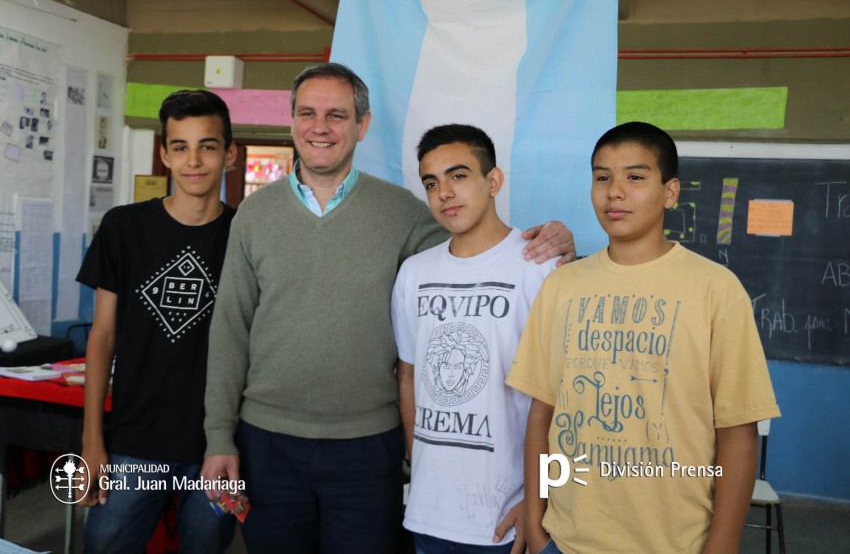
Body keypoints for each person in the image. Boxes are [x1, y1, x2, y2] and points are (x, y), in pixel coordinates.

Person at [201, 62, 575, 554]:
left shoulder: (405, 212)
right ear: (291, 121)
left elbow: (481, 248)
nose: (320, 127)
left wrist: (563, 245)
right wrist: (219, 438)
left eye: (337, 115)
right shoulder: (255, 214)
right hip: (267, 441)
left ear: (362, 125)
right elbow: (229, 330)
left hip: (368, 447)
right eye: (307, 113)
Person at [507, 121, 782, 554]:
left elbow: (737, 432)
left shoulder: (715, 289)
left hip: (674, 543)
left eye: (635, 177)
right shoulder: (563, 286)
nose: (615, 191)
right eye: (602, 177)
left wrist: (723, 545)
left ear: (670, 192)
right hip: (567, 540)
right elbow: (543, 414)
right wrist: (540, 523)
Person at [76, 89, 237, 553]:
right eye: (180, 147)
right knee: (105, 546)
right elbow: (102, 337)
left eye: (207, 146)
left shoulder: (246, 237)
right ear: (165, 154)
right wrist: (92, 441)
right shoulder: (124, 227)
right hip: (134, 441)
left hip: (217, 445)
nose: (194, 161)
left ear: (228, 154)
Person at [392, 124, 557, 554]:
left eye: (458, 175)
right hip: (428, 512)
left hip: (507, 517)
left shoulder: (538, 267)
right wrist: (421, 465)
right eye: (432, 182)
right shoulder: (415, 273)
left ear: (494, 181)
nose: (444, 192)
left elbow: (562, 400)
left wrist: (540, 500)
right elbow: (408, 376)